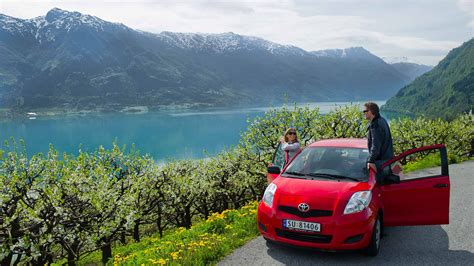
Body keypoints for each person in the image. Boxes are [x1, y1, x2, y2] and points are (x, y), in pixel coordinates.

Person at [363, 102, 394, 173]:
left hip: (380, 164)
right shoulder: (382, 120)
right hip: (386, 161)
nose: (364, 113)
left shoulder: (376, 125)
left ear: (370, 111)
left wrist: (370, 161)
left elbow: (376, 146)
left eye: (365, 111)